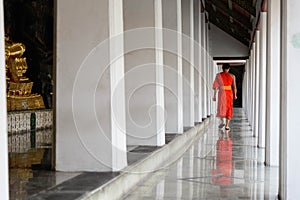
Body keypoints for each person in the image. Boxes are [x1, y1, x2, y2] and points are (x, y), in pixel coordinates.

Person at [212, 63, 237, 130]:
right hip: (229, 93)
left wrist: (214, 95)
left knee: (221, 106)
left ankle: (222, 121)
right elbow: (234, 87)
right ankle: (227, 125)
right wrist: (235, 95)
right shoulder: (232, 76)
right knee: (229, 107)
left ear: (222, 68)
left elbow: (216, 87)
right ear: (229, 69)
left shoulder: (218, 75)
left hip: (221, 93)